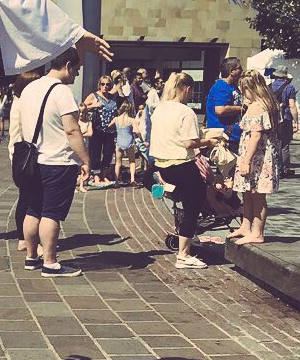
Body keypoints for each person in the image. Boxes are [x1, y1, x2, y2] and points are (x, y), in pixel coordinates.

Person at [18, 47, 89, 277]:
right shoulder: (62, 92)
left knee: (33, 209)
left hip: (32, 161)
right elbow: (71, 130)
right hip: (58, 161)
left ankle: (31, 257)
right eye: (77, 69)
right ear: (68, 65)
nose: (76, 74)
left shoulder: (29, 88)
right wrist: (85, 160)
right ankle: (50, 263)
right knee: (51, 213)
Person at [150, 72, 216, 269]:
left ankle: (185, 238)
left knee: (182, 204)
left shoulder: (159, 109)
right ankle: (184, 254)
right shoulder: (186, 112)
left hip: (162, 164)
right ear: (187, 89)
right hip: (181, 164)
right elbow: (189, 143)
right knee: (192, 208)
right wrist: (209, 141)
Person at [229, 71, 281, 245]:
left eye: (244, 89)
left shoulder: (257, 106)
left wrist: (246, 161)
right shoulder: (268, 103)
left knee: (256, 195)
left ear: (251, 88)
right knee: (248, 192)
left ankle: (257, 232)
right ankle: (246, 226)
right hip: (260, 155)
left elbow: (255, 136)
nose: (243, 93)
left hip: (257, 157)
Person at [8, 71, 42, 249]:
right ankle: (25, 238)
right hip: (24, 154)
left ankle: (24, 238)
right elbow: (19, 132)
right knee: (28, 198)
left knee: (26, 197)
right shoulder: (22, 103)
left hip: (21, 154)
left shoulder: (21, 102)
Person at [83, 76, 117, 188]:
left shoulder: (112, 97)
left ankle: (104, 174)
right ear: (99, 85)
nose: (105, 86)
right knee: (95, 152)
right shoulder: (94, 96)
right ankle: (96, 175)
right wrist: (94, 105)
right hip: (97, 129)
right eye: (103, 84)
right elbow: (82, 107)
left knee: (108, 152)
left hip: (110, 130)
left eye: (107, 84)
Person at [205, 57, 244, 154]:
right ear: (231, 71)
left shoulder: (233, 86)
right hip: (225, 137)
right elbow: (220, 110)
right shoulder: (221, 87)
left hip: (234, 136)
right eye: (239, 68)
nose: (242, 70)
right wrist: (242, 108)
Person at [270, 67, 298, 177]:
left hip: (273, 119)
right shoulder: (290, 87)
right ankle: (284, 170)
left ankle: (274, 168)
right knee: (285, 145)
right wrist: (296, 121)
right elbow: (292, 106)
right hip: (286, 119)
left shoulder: (269, 87)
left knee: (274, 144)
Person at [110, 101, 140, 187]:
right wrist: (141, 138)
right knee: (132, 161)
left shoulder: (116, 119)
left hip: (119, 142)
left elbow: (109, 126)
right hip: (128, 141)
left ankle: (116, 181)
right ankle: (132, 179)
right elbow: (136, 131)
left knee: (118, 162)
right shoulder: (132, 120)